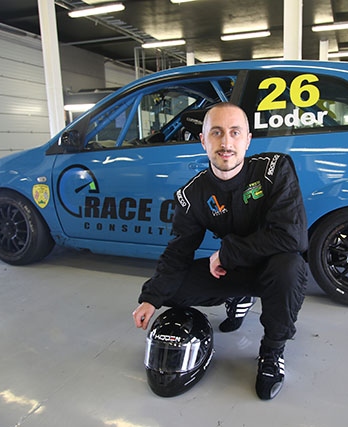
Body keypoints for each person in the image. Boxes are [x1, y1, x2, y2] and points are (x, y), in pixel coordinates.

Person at [132, 102, 308, 400]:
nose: (226, 143)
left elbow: (292, 236)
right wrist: (151, 297)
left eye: (234, 133)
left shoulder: (274, 169)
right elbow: (178, 251)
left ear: (248, 139)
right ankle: (239, 296)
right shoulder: (192, 195)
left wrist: (227, 253)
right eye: (216, 133)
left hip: (274, 270)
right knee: (171, 293)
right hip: (235, 272)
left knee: (289, 267)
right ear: (203, 140)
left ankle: (271, 353)